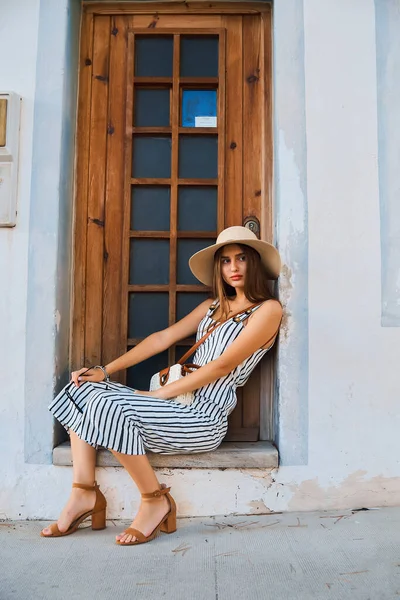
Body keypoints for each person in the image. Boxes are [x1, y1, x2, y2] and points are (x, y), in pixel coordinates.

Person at [41, 226, 282, 545]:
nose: (233, 268)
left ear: (255, 263)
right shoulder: (212, 307)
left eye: (241, 259)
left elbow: (222, 365)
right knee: (80, 388)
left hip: (202, 420)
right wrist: (104, 370)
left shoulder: (267, 310)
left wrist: (156, 395)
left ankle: (155, 500)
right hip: (171, 408)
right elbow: (162, 338)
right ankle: (84, 492)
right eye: (225, 261)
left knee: (109, 406)